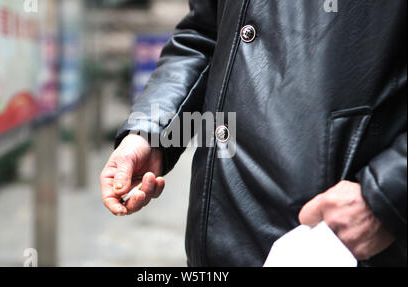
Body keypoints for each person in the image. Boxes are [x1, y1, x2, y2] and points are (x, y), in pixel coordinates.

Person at [100, 0, 406, 266]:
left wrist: (384, 197)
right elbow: (206, 35)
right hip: (219, 232)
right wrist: (152, 132)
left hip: (339, 235)